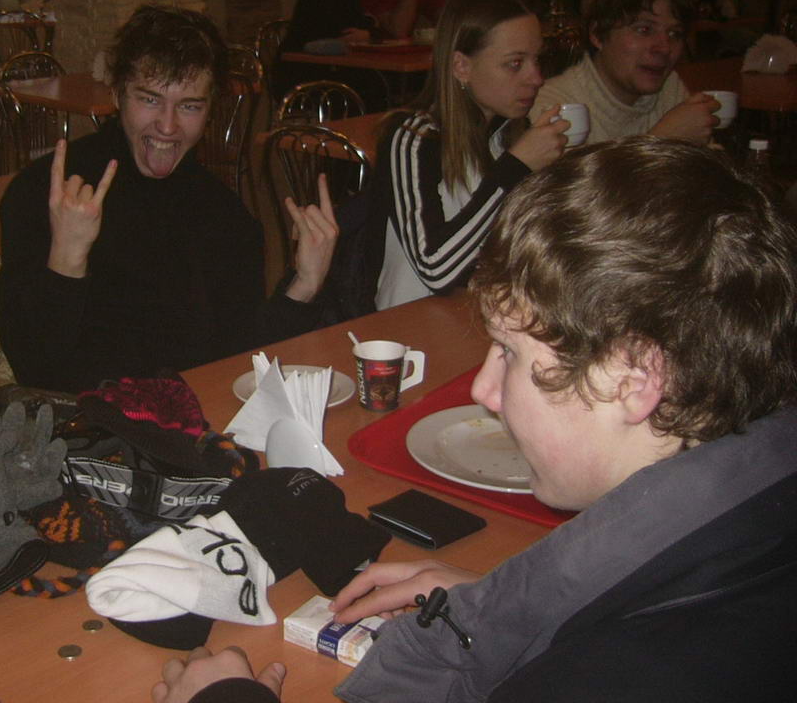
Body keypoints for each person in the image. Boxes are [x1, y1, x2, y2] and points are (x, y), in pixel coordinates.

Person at [155, 136, 797, 703]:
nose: (486, 390)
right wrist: (516, 602)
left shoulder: (624, 673)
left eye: (510, 353)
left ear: (631, 380)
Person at [0, 4, 338, 393]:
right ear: (117, 93)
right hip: (84, 419)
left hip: (193, 415)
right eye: (150, 99)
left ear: (210, 110)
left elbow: (241, 357)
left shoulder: (224, 214)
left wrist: (304, 285)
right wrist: (66, 259)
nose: (168, 125)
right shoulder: (48, 191)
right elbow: (33, 368)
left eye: (189, 106)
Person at [321, 0, 567, 319]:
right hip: (409, 325)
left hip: (482, 316)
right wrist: (515, 168)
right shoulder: (413, 138)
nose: (536, 78)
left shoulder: (508, 136)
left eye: (537, 60)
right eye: (515, 63)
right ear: (461, 67)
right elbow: (435, 268)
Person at [529, 0, 718, 144]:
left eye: (674, 34)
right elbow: (570, 172)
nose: (664, 48)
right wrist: (663, 139)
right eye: (644, 30)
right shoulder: (553, 106)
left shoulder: (670, 88)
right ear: (597, 35)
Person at [276, 0, 375, 99]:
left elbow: (362, 24)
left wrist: (367, 32)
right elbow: (340, 33)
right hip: (304, 72)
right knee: (367, 86)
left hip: (330, 69)